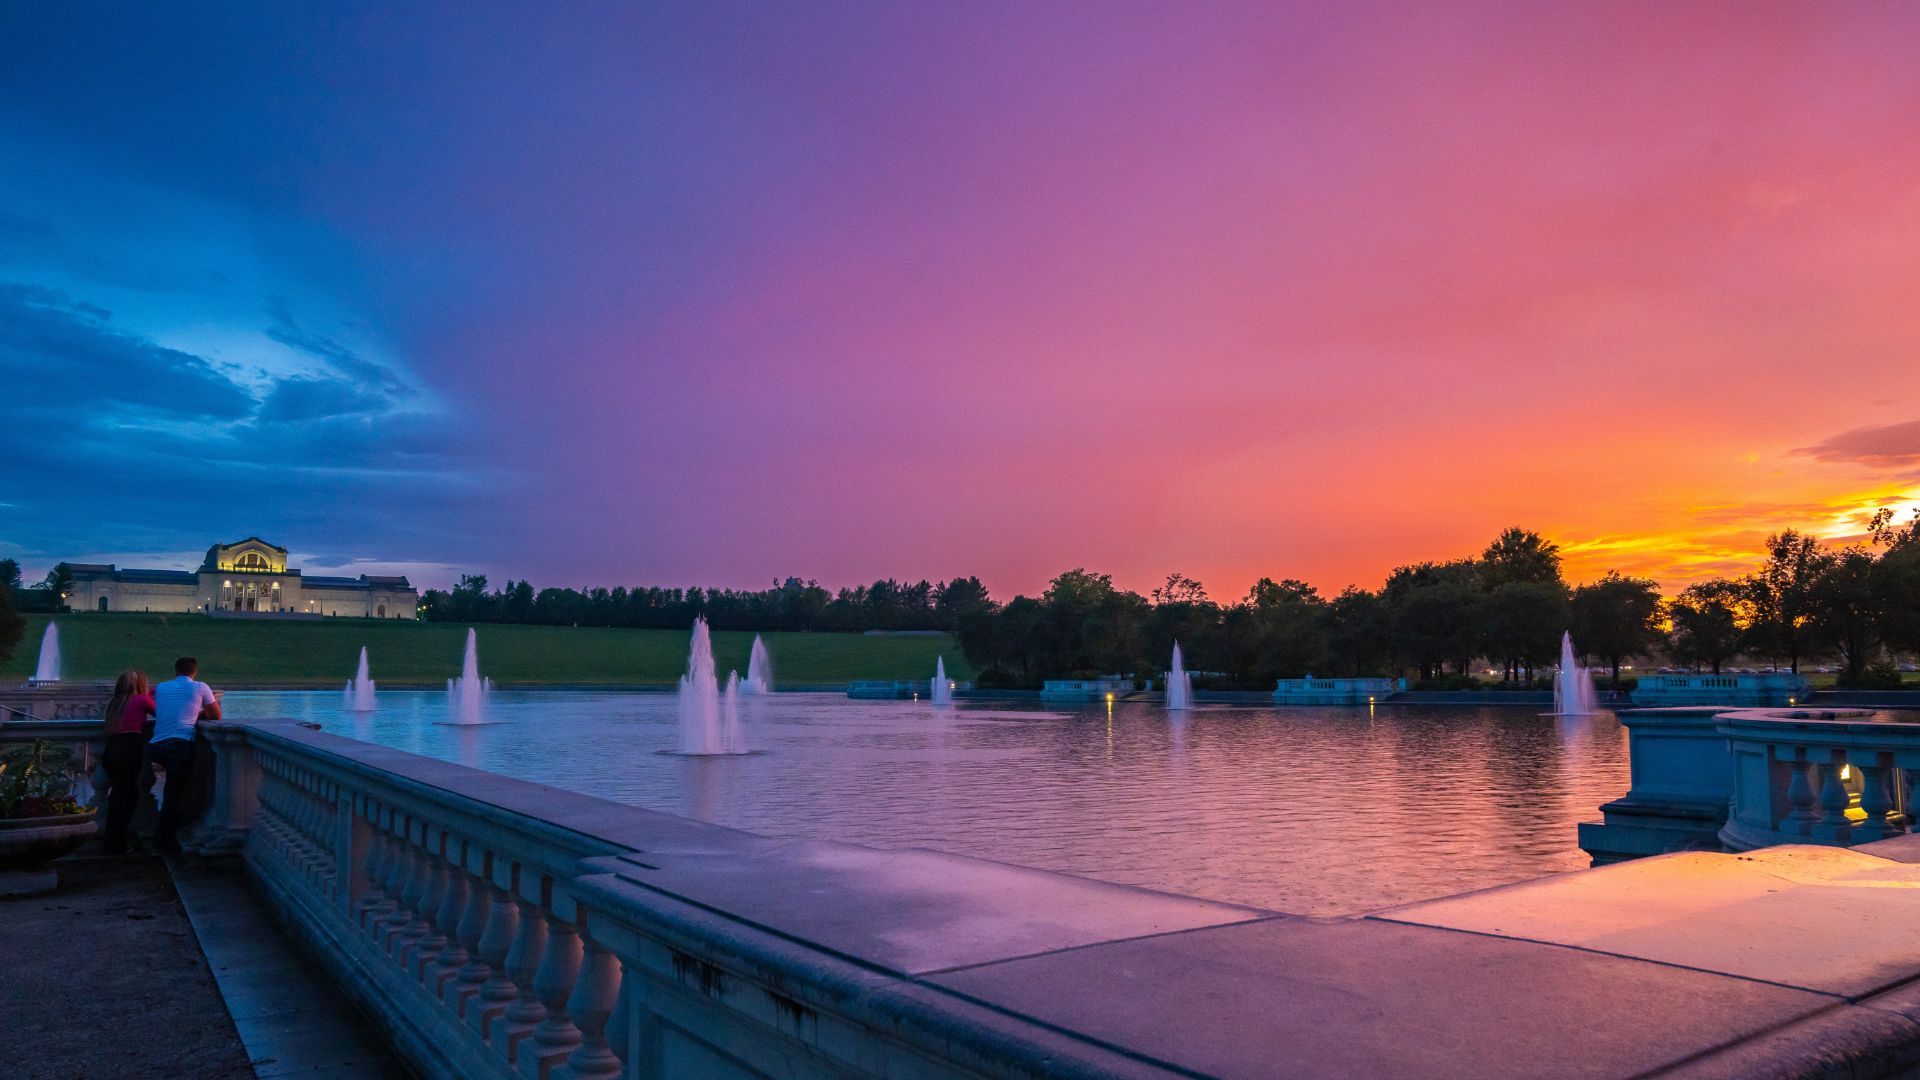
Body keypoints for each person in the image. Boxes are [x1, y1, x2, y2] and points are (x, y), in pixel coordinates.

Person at [149, 656, 220, 854]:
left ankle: (166, 834)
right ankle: (163, 840)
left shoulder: (162, 687)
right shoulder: (200, 687)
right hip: (178, 745)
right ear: (194, 671)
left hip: (155, 745)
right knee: (173, 794)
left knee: (172, 791)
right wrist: (199, 714)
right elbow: (216, 716)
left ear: (176, 670)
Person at [99, 669, 156, 854]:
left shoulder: (115, 702)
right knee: (128, 797)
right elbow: (159, 712)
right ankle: (117, 844)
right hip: (129, 749)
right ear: (139, 685)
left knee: (117, 796)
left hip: (111, 749)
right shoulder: (141, 700)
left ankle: (112, 840)